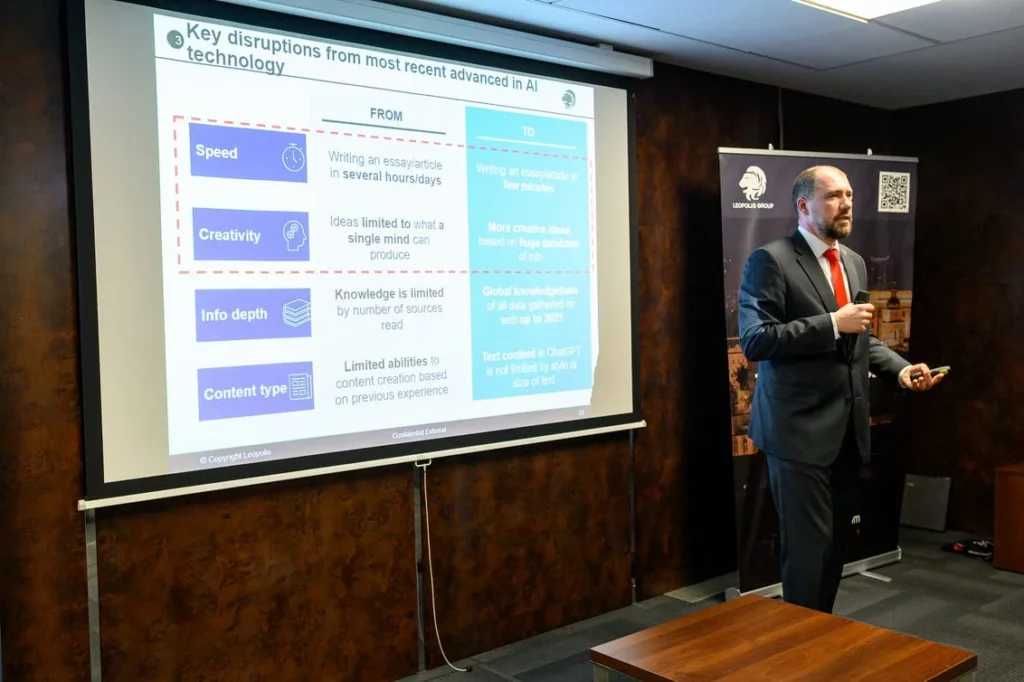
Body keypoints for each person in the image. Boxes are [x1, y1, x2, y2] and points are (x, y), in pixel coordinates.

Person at [737, 164, 943, 614]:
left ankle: (822, 634)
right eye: (833, 196)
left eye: (849, 195)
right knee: (807, 552)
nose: (846, 204)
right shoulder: (770, 260)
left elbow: (860, 339)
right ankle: (802, 643)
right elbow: (756, 341)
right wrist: (831, 322)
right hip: (797, 434)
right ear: (803, 205)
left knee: (832, 549)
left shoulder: (852, 262)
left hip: (847, 432)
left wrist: (900, 371)